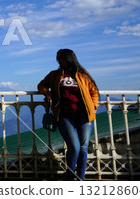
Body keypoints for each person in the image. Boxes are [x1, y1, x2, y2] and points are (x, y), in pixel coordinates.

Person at [37, 49, 99, 180]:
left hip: (85, 115)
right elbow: (41, 85)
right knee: (74, 147)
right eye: (58, 58)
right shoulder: (55, 75)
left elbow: (94, 91)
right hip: (64, 115)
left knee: (83, 147)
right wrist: (47, 93)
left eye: (61, 58)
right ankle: (69, 178)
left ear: (69, 58)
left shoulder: (83, 74)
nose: (59, 60)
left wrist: (93, 106)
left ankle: (81, 177)